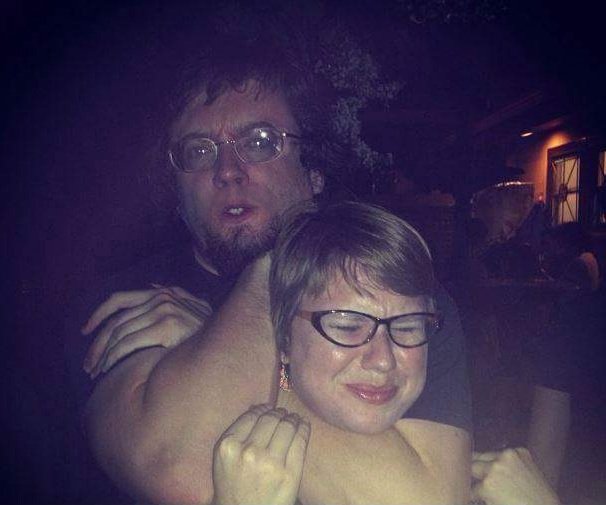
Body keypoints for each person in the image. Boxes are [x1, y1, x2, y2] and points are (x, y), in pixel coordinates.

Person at [66, 35, 471, 504]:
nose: (227, 170)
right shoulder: (132, 300)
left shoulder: (395, 297)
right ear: (174, 189)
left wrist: (207, 340)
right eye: (198, 151)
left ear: (314, 170)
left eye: (260, 142)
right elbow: (185, 472)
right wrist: (271, 265)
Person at [205, 202, 558, 505]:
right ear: (283, 340)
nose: (383, 359)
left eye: (407, 327)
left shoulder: (470, 477)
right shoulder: (222, 463)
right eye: (347, 326)